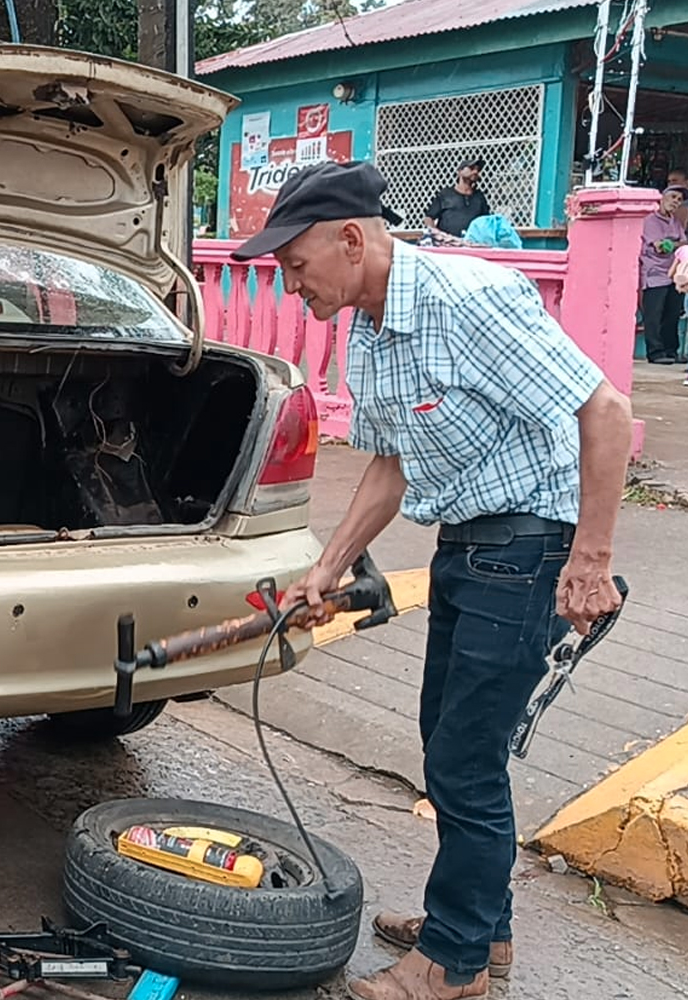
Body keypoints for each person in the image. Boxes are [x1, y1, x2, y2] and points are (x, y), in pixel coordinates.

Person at [232, 160, 631, 1000]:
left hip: (532, 549)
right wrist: (326, 568)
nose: (290, 282)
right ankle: (484, 932)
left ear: (349, 239)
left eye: (295, 264)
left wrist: (591, 560)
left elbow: (606, 412)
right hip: (468, 546)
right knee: (448, 744)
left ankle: (452, 964)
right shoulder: (372, 329)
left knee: (464, 760)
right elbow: (389, 466)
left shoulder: (467, 301)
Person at [639, 185, 687, 365]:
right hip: (654, 273)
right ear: (662, 197)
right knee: (654, 314)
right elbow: (660, 247)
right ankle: (655, 352)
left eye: (679, 200)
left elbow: (682, 244)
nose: (675, 202)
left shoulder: (675, 222)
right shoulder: (649, 220)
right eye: (673, 197)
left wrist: (672, 244)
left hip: (673, 273)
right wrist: (674, 244)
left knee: (673, 313)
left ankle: (671, 351)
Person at [422, 158, 491, 238]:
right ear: (460, 172)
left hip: (471, 244)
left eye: (478, 170)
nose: (475, 172)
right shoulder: (446, 194)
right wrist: (436, 234)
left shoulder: (479, 197)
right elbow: (429, 218)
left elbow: (486, 222)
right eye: (471, 168)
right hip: (447, 244)